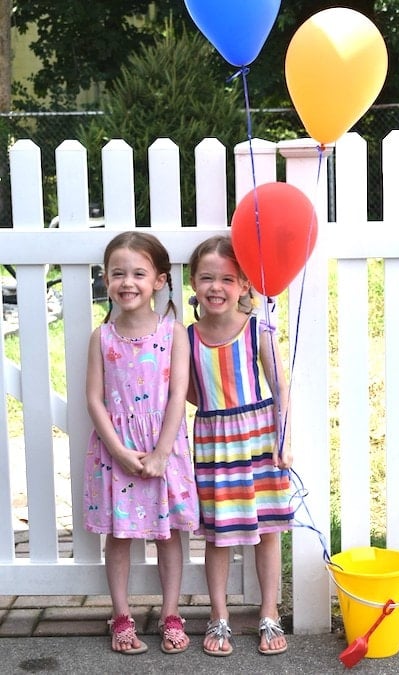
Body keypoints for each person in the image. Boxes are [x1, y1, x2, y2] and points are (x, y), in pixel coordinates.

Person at [83, 231, 199, 656]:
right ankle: (121, 616)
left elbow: (177, 394)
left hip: (162, 447)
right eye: (117, 273)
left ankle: (171, 614)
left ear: (159, 280)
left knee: (167, 536)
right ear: (106, 279)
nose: (126, 282)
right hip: (117, 451)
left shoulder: (174, 334)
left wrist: (162, 452)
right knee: (119, 535)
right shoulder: (102, 337)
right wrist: (118, 450)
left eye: (138, 273)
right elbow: (94, 397)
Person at [187, 234, 294, 657]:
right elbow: (189, 391)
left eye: (227, 279)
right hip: (215, 443)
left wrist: (284, 439)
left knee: (267, 533)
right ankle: (219, 616)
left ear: (245, 285)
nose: (216, 287)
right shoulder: (187, 338)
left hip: (259, 440)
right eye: (207, 278)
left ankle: (270, 613)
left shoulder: (257, 331)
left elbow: (280, 387)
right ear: (193, 282)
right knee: (219, 535)